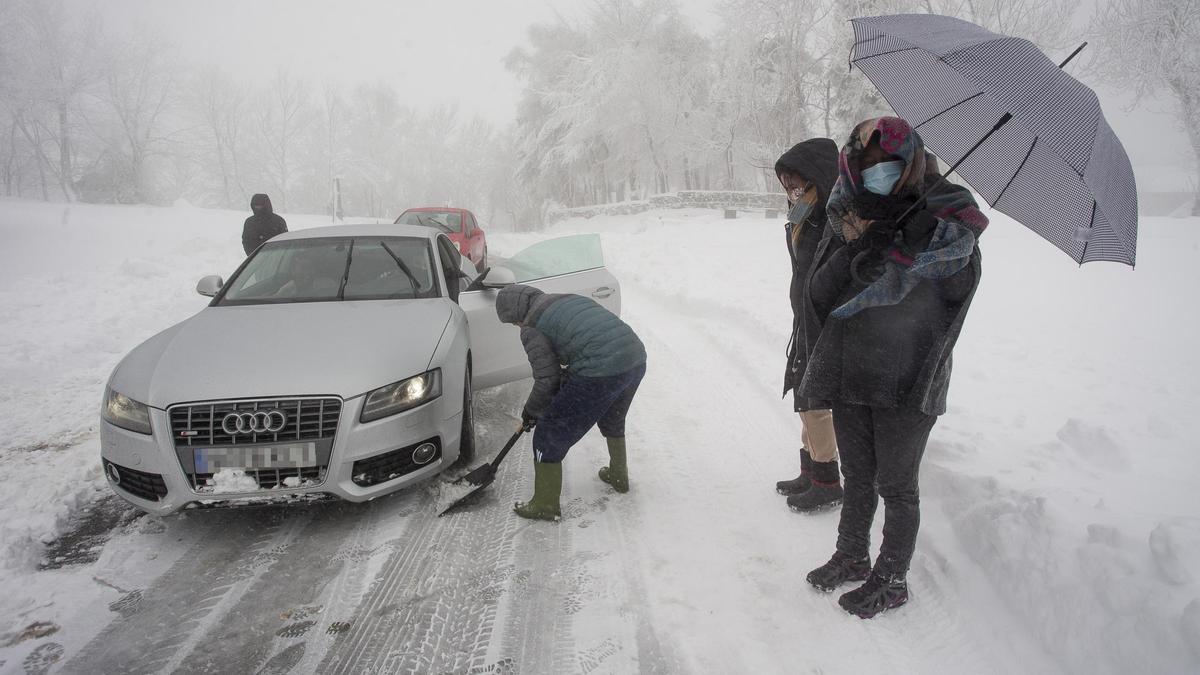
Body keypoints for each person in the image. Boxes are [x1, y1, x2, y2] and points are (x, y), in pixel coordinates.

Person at [798, 117, 988, 618]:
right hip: (851, 368)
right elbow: (818, 295)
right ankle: (852, 555)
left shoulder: (950, 221)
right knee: (858, 473)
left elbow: (953, 301)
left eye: (890, 164)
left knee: (897, 485)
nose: (878, 173)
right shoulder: (846, 214)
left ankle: (891, 578)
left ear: (912, 163)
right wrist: (865, 245)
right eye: (868, 166)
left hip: (908, 375)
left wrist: (916, 251)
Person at [495, 284, 647, 521]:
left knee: (550, 432)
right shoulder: (563, 298)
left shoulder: (531, 327)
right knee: (613, 416)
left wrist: (532, 411)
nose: (516, 327)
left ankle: (545, 505)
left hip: (601, 369)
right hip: (635, 358)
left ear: (516, 315)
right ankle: (619, 475)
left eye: (513, 322)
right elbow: (574, 349)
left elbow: (547, 378)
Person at [773, 139, 844, 513]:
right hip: (805, 314)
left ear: (815, 175)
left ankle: (826, 480)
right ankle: (810, 468)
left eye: (796, 181)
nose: (791, 188)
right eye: (785, 183)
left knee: (815, 398)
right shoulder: (804, 212)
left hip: (823, 317)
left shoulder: (832, 216)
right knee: (804, 390)